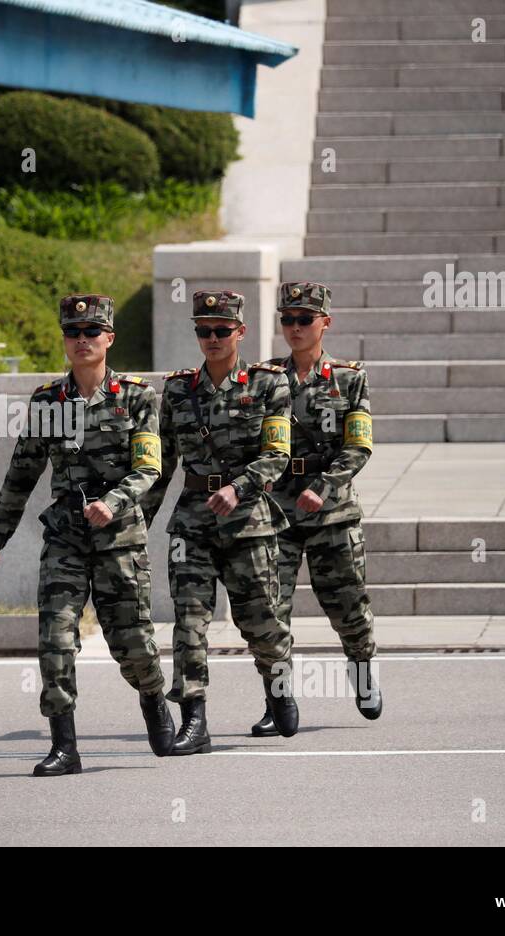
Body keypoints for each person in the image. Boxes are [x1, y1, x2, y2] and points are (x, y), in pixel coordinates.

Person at [0, 294, 176, 776]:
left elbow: (149, 467)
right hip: (66, 537)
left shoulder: (136, 396)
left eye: (92, 332)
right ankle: (64, 746)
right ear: (65, 340)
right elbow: (21, 472)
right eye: (73, 333)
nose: (82, 341)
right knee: (55, 637)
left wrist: (113, 503)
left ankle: (153, 698)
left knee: (132, 645)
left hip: (120, 540)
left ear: (109, 337)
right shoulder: (49, 401)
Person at [141, 289, 297, 754]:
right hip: (192, 520)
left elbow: (277, 454)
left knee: (262, 622)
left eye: (221, 330)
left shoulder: (270, 385)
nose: (212, 338)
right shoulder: (176, 390)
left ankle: (278, 687)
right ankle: (195, 719)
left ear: (240, 332)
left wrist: (239, 487)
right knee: (188, 620)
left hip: (250, 522)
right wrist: (139, 523)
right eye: (203, 331)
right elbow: (161, 463)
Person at [254, 281, 382, 737]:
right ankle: (278, 702)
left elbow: (359, 445)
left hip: (332, 514)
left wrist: (324, 488)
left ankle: (364, 675)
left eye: (304, 319)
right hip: (278, 514)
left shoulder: (349, 378)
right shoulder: (264, 377)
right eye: (287, 320)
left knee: (348, 606)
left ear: (325, 322)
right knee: (271, 613)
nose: (294, 328)